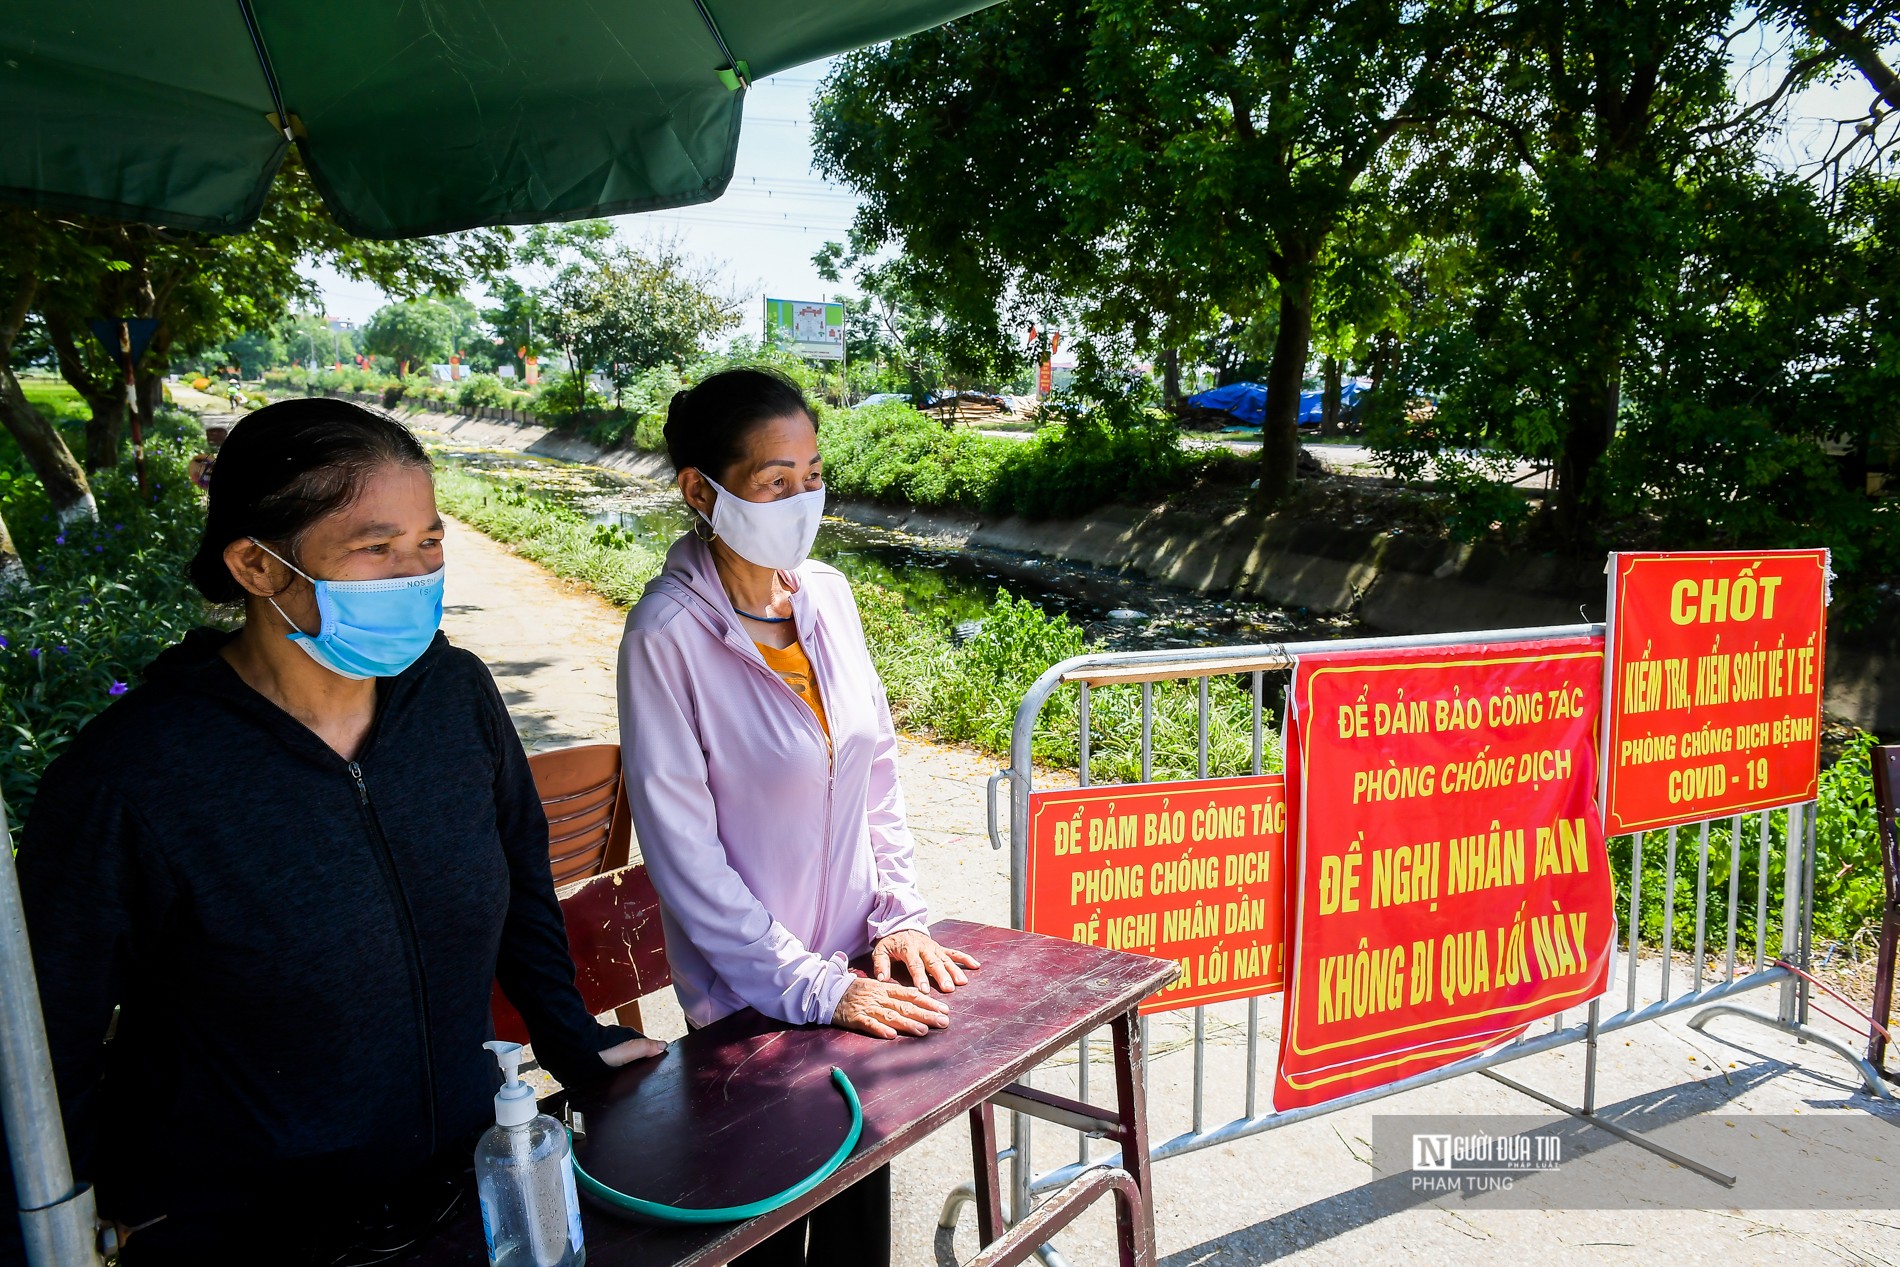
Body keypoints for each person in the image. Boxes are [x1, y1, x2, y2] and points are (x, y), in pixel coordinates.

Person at [11, 398, 663, 1265]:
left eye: (429, 543)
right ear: (255, 564)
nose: (416, 573)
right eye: (375, 547)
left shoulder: (456, 695)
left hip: (463, 1185)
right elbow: (49, 1035)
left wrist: (571, 1036)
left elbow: (521, 884)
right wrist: (89, 1213)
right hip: (250, 1229)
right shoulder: (132, 777)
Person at [618, 368, 981, 1267]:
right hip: (749, 1007)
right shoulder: (664, 635)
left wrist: (897, 910)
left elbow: (876, 773)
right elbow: (684, 856)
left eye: (812, 473)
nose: (801, 498)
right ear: (701, 491)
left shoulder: (828, 595)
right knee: (768, 1238)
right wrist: (812, 986)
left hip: (860, 977)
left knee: (859, 1231)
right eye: (774, 480)